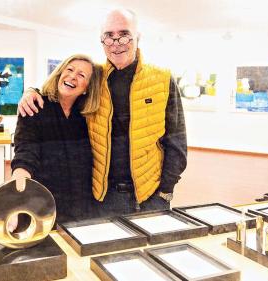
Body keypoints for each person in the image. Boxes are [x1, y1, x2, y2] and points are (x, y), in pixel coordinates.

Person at [18, 9, 187, 217]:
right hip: (103, 199)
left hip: (150, 197)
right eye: (109, 36)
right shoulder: (95, 78)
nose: (116, 43)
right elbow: (63, 91)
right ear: (102, 40)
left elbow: (177, 140)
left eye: (124, 34)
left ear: (138, 37)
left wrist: (166, 190)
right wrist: (31, 92)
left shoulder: (162, 79)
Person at [10, 54, 101, 225]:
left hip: (82, 208)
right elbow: (25, 153)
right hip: (41, 205)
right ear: (59, 73)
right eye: (69, 69)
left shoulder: (89, 115)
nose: (72, 76)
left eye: (81, 75)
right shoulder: (35, 106)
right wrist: (15, 194)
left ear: (87, 87)